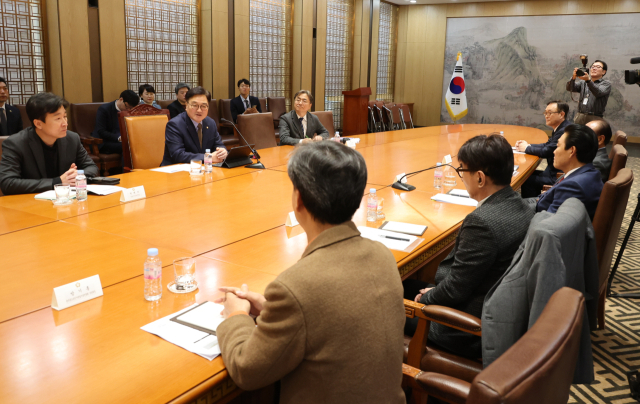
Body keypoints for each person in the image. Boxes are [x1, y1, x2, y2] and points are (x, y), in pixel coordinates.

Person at [214, 141, 405, 404]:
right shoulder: (382, 254)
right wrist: (272, 308)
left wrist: (235, 314)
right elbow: (329, 308)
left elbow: (247, 370)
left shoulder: (295, 286)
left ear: (298, 199)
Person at [404, 134, 535, 359]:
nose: (460, 177)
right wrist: (435, 291)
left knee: (378, 306)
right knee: (404, 284)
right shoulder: (520, 205)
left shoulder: (482, 222)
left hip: (464, 328)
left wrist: (428, 298)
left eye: (461, 170)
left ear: (481, 178)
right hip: (491, 304)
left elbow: (455, 290)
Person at [0, 92, 99, 195]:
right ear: (38, 123)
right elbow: (7, 183)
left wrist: (75, 176)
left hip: (66, 201)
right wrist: (57, 182)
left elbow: (92, 167)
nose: (65, 123)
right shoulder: (16, 144)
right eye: (58, 118)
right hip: (31, 204)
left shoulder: (72, 138)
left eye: (65, 116)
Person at [535, 124, 603, 219]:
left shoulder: (573, 186)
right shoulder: (590, 171)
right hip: (542, 203)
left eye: (558, 146)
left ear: (572, 151)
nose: (554, 151)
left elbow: (548, 224)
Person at [516, 101, 572, 198]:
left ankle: (533, 206)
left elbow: (547, 151)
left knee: (528, 180)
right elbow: (547, 145)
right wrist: (528, 145)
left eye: (550, 113)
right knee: (528, 173)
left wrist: (526, 148)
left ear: (561, 114)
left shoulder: (564, 130)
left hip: (557, 174)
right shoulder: (561, 127)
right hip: (553, 170)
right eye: (545, 113)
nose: (546, 116)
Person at [161, 86, 228, 166]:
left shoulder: (210, 123)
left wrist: (223, 152)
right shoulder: (175, 125)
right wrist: (208, 157)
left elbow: (219, 144)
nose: (199, 110)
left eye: (203, 106)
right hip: (176, 172)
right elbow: (178, 155)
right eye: (195, 105)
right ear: (186, 105)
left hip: (202, 170)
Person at [91, 89, 139, 154]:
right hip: (105, 142)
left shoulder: (129, 111)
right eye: (127, 107)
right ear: (121, 99)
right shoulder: (104, 109)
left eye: (131, 108)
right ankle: (126, 164)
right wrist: (119, 138)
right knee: (127, 147)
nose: (128, 110)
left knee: (139, 145)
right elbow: (101, 131)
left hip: (121, 141)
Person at [566, 60, 611, 124]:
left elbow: (598, 93)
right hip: (580, 115)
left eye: (598, 67)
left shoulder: (606, 84)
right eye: (592, 67)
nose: (594, 68)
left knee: (592, 133)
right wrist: (573, 78)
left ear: (603, 72)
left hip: (595, 117)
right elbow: (570, 88)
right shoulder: (583, 82)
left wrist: (588, 81)